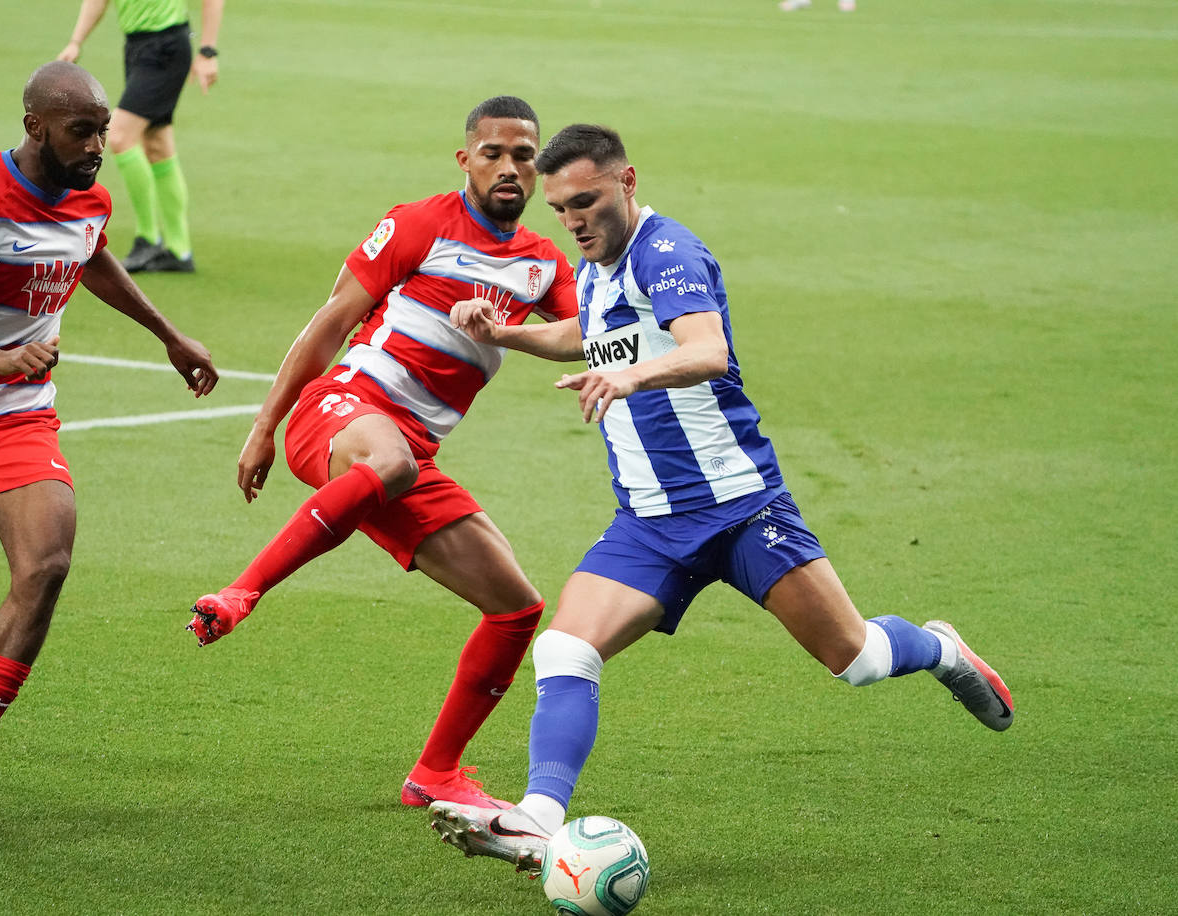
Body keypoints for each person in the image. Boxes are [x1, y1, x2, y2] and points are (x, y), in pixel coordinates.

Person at [427, 124, 1014, 872]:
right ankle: (538, 818)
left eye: (587, 202)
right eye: (561, 209)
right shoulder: (599, 263)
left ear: (627, 182)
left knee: (857, 658)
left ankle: (940, 648)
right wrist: (505, 333)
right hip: (646, 522)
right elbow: (591, 332)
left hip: (740, 509)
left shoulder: (668, 251)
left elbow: (709, 349)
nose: (574, 220)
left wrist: (632, 377)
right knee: (566, 649)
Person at [185, 96, 579, 810]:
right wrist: (264, 425)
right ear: (466, 160)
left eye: (525, 155)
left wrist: (512, 334)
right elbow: (328, 323)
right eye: (494, 152)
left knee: (516, 607)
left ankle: (435, 774)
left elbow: (587, 333)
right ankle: (243, 590)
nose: (510, 168)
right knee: (389, 462)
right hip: (339, 412)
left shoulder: (542, 265)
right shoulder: (420, 222)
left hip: (404, 458)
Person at [0, 60, 219, 825]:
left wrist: (168, 334)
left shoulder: (87, 194)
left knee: (48, 561)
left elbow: (89, 252)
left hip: (19, 416)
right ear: (36, 127)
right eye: (81, 130)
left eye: (101, 128)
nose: (98, 144)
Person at [57, 0, 225, 273]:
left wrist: (207, 51)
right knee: (157, 144)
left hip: (167, 47)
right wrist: (76, 41)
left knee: (121, 135)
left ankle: (147, 239)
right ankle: (179, 251)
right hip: (137, 47)